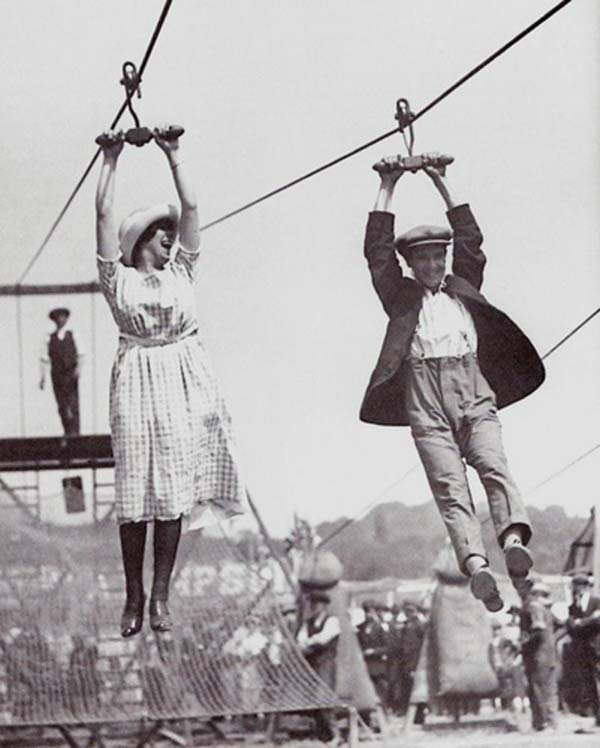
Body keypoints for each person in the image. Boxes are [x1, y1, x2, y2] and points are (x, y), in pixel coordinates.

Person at [360, 153, 545, 611]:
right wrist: (388, 186)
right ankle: (478, 565)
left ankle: (514, 541)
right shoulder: (401, 298)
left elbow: (471, 238)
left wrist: (443, 183)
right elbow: (376, 253)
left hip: (472, 389)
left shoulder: (463, 284)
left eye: (438, 256)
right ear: (410, 264)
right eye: (422, 259)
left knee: (493, 464)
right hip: (425, 400)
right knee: (450, 486)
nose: (432, 266)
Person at [95, 127, 245, 637]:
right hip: (137, 377)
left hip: (183, 380)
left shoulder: (182, 273)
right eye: (161, 233)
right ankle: (133, 594)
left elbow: (194, 208)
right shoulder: (119, 280)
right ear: (140, 242)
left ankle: (160, 595)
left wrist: (173, 154)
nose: (169, 237)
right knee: (136, 488)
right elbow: (100, 216)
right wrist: (111, 160)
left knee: (174, 489)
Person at [296, 590, 340, 743]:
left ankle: (335, 734)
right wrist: (308, 643)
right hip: (311, 664)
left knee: (324, 697)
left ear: (324, 605)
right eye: (312, 603)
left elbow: (323, 639)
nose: (313, 606)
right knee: (312, 698)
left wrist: (308, 642)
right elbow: (300, 641)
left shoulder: (332, 621)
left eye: (317, 603)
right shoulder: (307, 623)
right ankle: (320, 734)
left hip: (325, 664)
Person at [520, 581, 558, 731]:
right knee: (550, 689)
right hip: (550, 654)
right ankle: (551, 721)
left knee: (538, 688)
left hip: (537, 655)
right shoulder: (547, 610)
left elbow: (538, 629)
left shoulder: (534, 607)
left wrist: (524, 643)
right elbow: (561, 626)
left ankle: (543, 723)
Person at [39, 307, 83, 435]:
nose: (60, 320)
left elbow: (81, 354)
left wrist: (78, 370)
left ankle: (75, 432)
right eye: (57, 317)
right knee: (62, 404)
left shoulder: (73, 334)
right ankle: (67, 431)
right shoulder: (49, 338)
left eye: (62, 317)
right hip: (57, 374)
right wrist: (42, 377)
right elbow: (44, 359)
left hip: (70, 373)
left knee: (73, 403)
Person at [566, 573, 600, 725]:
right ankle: (598, 715)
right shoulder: (573, 607)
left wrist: (582, 622)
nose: (576, 590)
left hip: (596, 647)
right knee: (589, 683)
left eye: (577, 587)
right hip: (582, 650)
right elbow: (572, 625)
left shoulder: (596, 602)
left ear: (584, 587)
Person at [357, 599, 388, 707]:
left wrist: (374, 651)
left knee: (381, 689)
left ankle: (384, 712)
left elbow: (388, 647)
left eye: (370, 612)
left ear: (375, 612)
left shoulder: (381, 627)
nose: (368, 615)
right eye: (366, 612)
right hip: (364, 665)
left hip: (378, 665)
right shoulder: (359, 628)